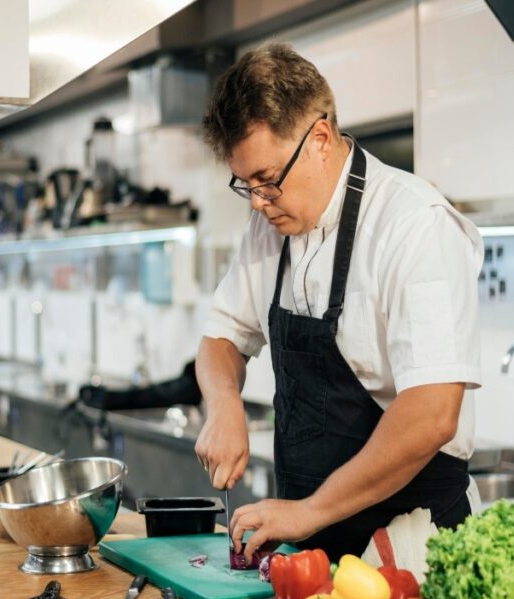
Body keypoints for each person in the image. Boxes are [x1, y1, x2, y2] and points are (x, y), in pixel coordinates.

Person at [195, 43, 483, 563]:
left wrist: (309, 510)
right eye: (246, 184)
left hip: (415, 550)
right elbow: (221, 337)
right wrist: (224, 404)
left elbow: (433, 413)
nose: (258, 201)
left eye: (268, 178)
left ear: (320, 139)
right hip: (315, 553)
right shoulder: (269, 228)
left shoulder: (414, 225)